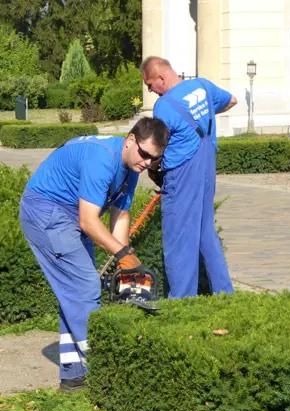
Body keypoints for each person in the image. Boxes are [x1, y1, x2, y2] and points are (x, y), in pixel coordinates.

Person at [19, 117, 170, 392]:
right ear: (131, 140)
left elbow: (120, 215)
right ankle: (105, 371)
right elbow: (89, 222)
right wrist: (123, 254)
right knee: (85, 287)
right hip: (47, 212)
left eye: (154, 159)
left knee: (75, 292)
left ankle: (73, 376)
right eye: (145, 154)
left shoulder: (130, 167)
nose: (147, 163)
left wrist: (125, 260)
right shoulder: (102, 160)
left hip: (70, 215)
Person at [141, 56, 237, 299]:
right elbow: (232, 101)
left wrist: (152, 170)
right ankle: (225, 296)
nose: (150, 90)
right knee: (206, 234)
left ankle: (183, 303)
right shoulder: (203, 86)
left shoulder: (164, 106)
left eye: (150, 84)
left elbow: (156, 147)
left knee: (179, 237)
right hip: (207, 166)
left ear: (161, 78)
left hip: (182, 173)